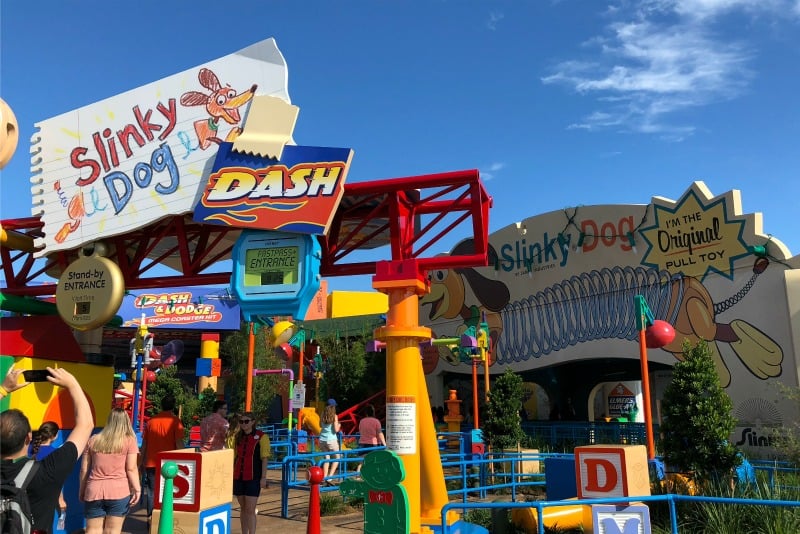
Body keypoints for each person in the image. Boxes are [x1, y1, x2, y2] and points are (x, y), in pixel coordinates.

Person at [1, 366, 93, 534]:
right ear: (28, 437)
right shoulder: (47, 470)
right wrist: (73, 384)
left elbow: (85, 424)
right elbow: (86, 424)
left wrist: (4, 389)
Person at [79, 408, 140, 534]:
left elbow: (84, 469)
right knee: (113, 530)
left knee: (92, 530)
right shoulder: (129, 441)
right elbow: (131, 468)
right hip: (119, 491)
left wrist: (82, 489)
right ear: (126, 422)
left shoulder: (93, 440)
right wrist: (137, 489)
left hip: (94, 490)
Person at [141, 395, 184, 526]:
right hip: (169, 464)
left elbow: (144, 444)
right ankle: (165, 519)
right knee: (169, 491)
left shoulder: (151, 421)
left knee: (152, 492)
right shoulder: (176, 422)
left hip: (151, 462)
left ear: (161, 405)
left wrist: (141, 461)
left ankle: (150, 518)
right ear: (173, 406)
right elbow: (179, 443)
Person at [231, 412, 270, 534]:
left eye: (246, 421)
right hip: (238, 477)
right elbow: (233, 456)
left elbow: (264, 458)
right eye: (241, 421)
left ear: (253, 422)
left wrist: (263, 477)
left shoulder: (262, 437)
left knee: (250, 509)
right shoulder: (237, 437)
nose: (243, 424)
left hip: (253, 477)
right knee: (242, 508)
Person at [356, 404, 386, 475]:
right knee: (373, 462)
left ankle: (357, 476)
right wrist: (384, 444)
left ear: (366, 413)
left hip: (362, 444)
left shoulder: (362, 421)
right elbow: (380, 433)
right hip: (373, 445)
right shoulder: (376, 421)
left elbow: (360, 431)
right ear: (373, 412)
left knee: (361, 462)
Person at [318, 399, 341, 483]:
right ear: (333, 407)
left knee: (326, 458)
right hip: (331, 440)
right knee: (337, 458)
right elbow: (335, 430)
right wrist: (339, 425)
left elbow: (320, 425)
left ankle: (324, 477)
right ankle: (330, 477)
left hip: (322, 440)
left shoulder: (322, 415)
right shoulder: (334, 416)